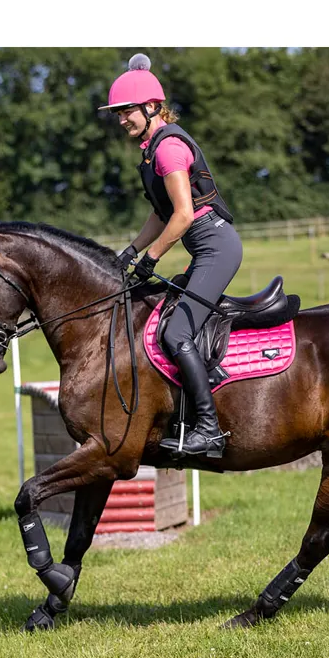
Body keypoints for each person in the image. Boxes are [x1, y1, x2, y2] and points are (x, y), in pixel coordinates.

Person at [100, 54, 243, 459]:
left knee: (175, 333)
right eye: (117, 113)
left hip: (216, 247)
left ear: (150, 107)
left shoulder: (168, 150)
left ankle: (209, 430)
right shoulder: (151, 149)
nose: (121, 119)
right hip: (203, 247)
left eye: (126, 110)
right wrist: (131, 250)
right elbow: (161, 212)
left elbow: (182, 215)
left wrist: (152, 258)